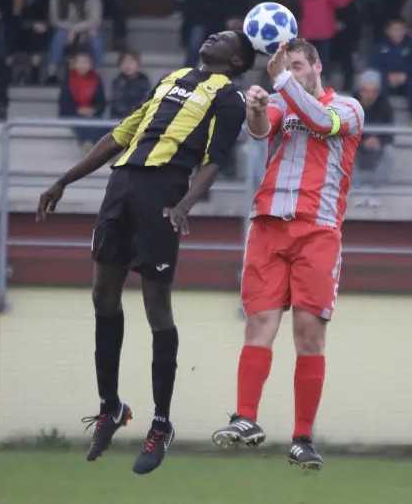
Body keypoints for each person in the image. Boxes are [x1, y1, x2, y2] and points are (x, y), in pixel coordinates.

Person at [36, 30, 256, 475]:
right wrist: (65, 179)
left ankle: (161, 423)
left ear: (235, 59)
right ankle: (111, 407)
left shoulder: (228, 98)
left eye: (225, 37)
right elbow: (121, 134)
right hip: (121, 185)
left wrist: (183, 205)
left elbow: (214, 160)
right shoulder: (170, 78)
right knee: (102, 296)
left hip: (163, 193)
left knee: (157, 306)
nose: (213, 35)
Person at [210, 39, 364, 470]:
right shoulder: (281, 100)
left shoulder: (349, 108)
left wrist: (278, 79)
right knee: (259, 322)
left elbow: (321, 122)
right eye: (286, 67)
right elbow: (260, 131)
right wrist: (258, 107)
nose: (293, 74)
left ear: (317, 65)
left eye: (298, 66)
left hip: (318, 230)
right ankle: (245, 419)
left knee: (308, 334)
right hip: (267, 224)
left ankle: (302, 438)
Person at [296, 0, 356, 81]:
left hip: (308, 26)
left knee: (307, 55)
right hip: (325, 26)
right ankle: (324, 79)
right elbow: (340, 2)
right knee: (323, 56)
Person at [47, 0, 104, 78]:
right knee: (59, 35)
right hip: (65, 30)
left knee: (95, 37)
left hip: (86, 30)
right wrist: (70, 29)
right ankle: (51, 73)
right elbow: (54, 20)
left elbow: (95, 19)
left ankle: (97, 74)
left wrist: (75, 29)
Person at [352, 70, 394, 208]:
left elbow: (390, 135)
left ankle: (376, 192)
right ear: (360, 90)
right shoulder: (350, 105)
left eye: (374, 91)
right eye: (366, 91)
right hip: (356, 151)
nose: (370, 95)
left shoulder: (386, 107)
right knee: (341, 149)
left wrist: (378, 141)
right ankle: (356, 190)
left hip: (376, 150)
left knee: (389, 151)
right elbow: (344, 132)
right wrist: (363, 142)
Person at [369, 18, 412, 124]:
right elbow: (372, 66)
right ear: (388, 31)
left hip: (406, 80)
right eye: (394, 29)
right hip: (386, 79)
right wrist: (387, 75)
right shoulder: (379, 47)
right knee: (377, 85)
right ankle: (380, 117)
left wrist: (405, 75)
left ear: (405, 31)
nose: (397, 33)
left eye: (400, 30)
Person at [6, 0, 50, 83]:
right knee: (11, 31)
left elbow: (45, 19)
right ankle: (8, 71)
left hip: (35, 36)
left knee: (35, 32)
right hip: (17, 36)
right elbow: (11, 20)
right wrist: (30, 24)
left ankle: (34, 74)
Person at [58, 49, 107, 152]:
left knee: (101, 125)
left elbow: (102, 103)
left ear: (91, 65)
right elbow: (63, 104)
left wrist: (93, 110)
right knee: (81, 123)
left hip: (92, 115)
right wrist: (78, 111)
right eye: (79, 62)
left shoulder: (96, 80)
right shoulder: (68, 80)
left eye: (85, 62)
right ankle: (88, 143)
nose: (82, 65)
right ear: (74, 65)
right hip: (72, 114)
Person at [110, 50, 152, 119]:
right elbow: (118, 105)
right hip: (120, 118)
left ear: (138, 64)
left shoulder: (144, 80)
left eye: (131, 62)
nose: (128, 65)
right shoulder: (118, 81)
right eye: (124, 62)